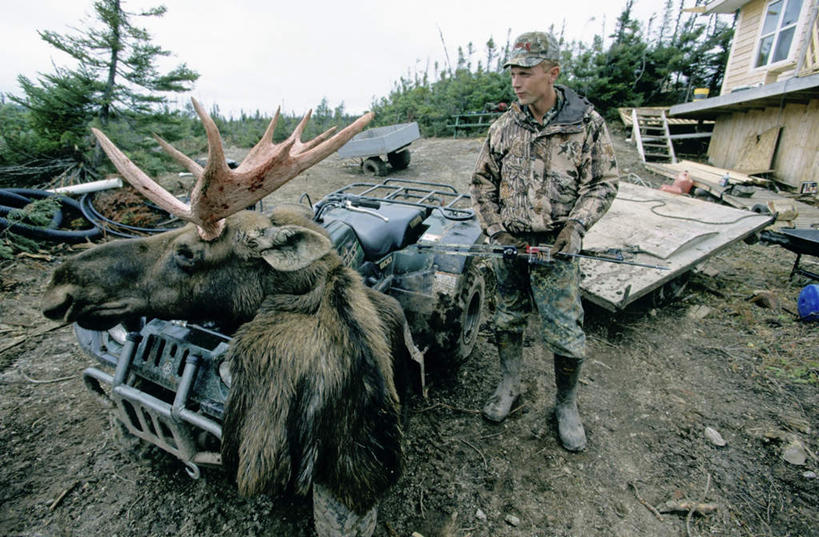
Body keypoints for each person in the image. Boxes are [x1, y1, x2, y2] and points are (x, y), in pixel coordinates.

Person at [469, 31, 618, 452]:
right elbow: (481, 184)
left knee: (565, 330)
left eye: (526, 73)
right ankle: (509, 384)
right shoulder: (504, 127)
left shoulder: (586, 124)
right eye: (512, 73)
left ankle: (566, 405)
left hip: (557, 247)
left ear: (552, 73)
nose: (516, 83)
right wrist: (495, 230)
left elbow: (604, 183)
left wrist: (576, 228)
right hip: (510, 245)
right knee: (507, 317)